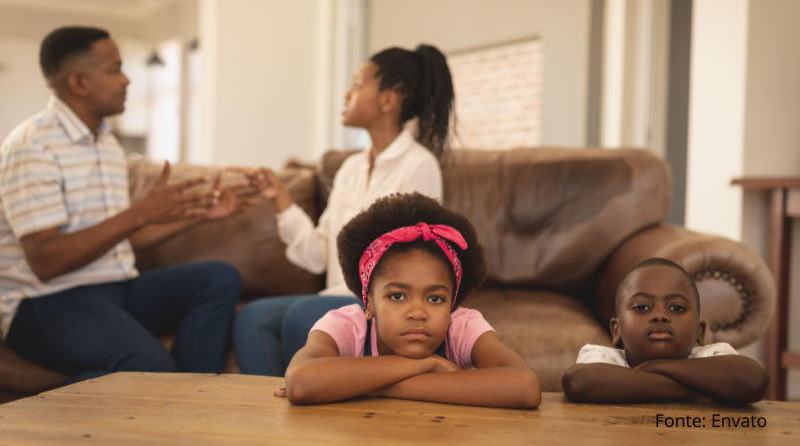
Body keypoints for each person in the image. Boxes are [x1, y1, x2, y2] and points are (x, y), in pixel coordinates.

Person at [0, 26, 246, 385]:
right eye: (114, 69)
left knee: (217, 278)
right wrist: (140, 213)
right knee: (150, 367)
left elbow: (121, 239)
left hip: (114, 287)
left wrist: (197, 216)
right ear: (80, 83)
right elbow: (45, 261)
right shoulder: (32, 146)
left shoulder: (106, 143)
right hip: (43, 301)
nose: (127, 80)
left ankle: (190, 399)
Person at [233, 45, 455, 376]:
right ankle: (279, 410)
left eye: (357, 85)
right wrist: (279, 196)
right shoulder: (351, 168)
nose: (347, 94)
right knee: (252, 318)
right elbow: (320, 256)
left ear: (387, 100)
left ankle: (312, 400)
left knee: (300, 314)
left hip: (378, 301)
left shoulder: (419, 166)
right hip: (333, 297)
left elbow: (412, 262)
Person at [275, 193, 540, 408]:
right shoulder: (346, 325)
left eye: (435, 298)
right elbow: (301, 382)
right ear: (369, 303)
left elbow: (525, 387)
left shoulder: (463, 326)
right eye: (397, 296)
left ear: (451, 309)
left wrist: (369, 386)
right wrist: (429, 365)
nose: (417, 312)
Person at [561, 258, 769, 404]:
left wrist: (653, 367)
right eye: (641, 307)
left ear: (700, 332)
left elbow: (754, 381)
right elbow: (579, 383)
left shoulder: (712, 356)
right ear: (617, 330)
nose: (660, 316)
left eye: (676, 308)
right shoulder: (604, 358)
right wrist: (690, 392)